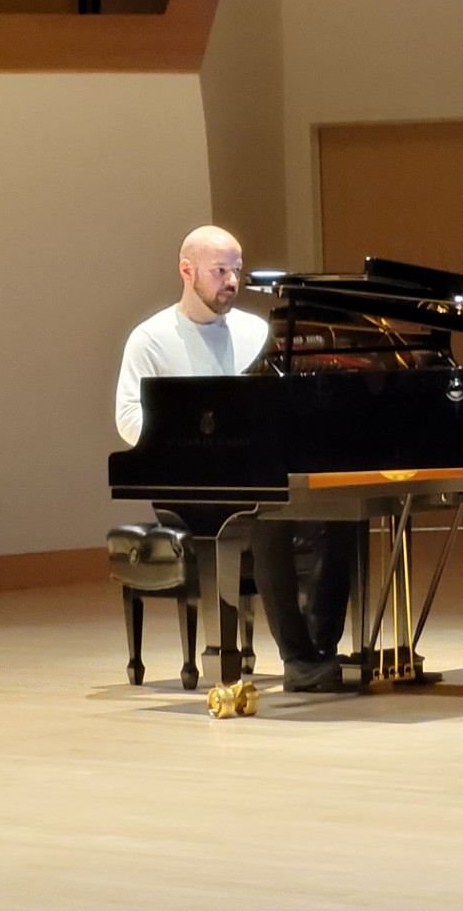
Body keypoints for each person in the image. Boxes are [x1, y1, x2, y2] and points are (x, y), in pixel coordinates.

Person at [114, 224, 350, 692]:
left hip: (253, 473)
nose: (232, 281)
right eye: (219, 271)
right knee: (267, 521)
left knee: (339, 515)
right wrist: (184, 444)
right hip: (186, 484)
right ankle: (298, 659)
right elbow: (127, 416)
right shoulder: (150, 338)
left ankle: (323, 646)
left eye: (236, 271)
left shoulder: (254, 331)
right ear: (187, 271)